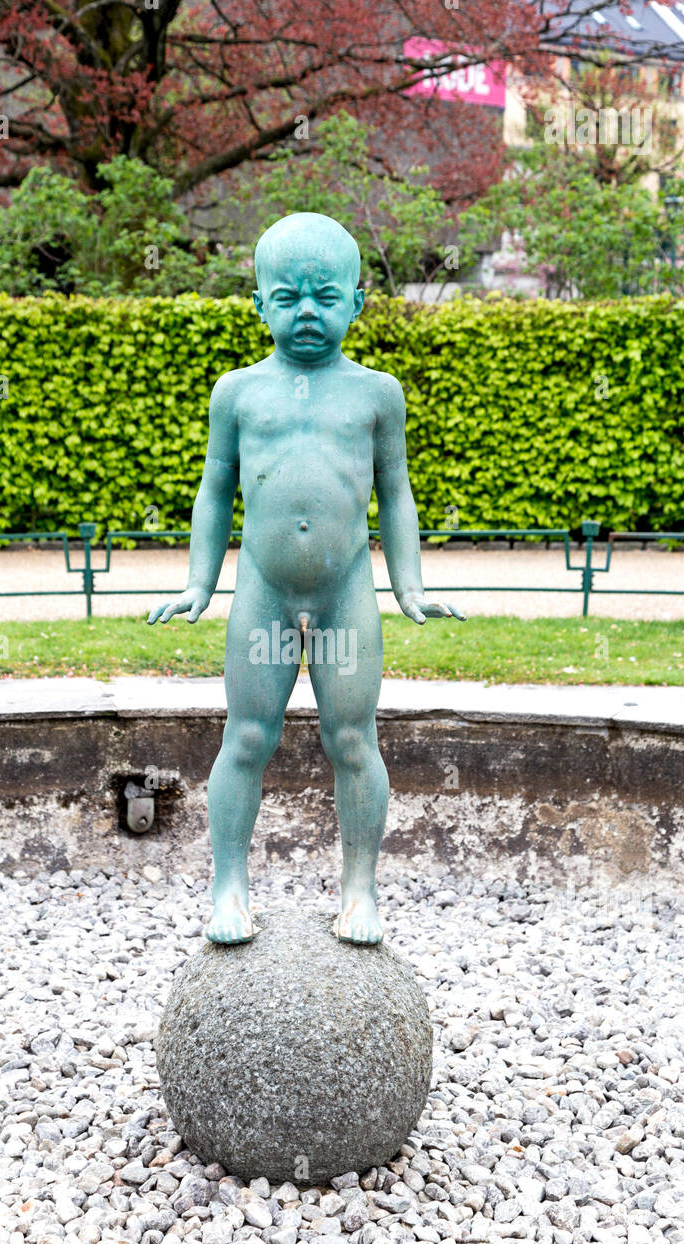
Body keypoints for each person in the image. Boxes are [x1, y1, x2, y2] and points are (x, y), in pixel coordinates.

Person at [149, 212, 464, 945]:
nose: (308, 312)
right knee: (248, 736)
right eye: (287, 297)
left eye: (326, 295)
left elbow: (397, 492)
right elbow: (214, 487)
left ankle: (361, 889)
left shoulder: (378, 393)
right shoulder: (237, 392)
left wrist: (409, 585)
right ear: (258, 304)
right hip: (262, 586)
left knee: (353, 739)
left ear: (358, 300)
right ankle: (229, 886)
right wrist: (199, 583)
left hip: (343, 590)